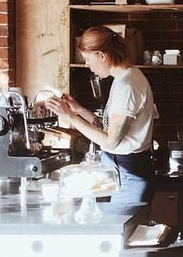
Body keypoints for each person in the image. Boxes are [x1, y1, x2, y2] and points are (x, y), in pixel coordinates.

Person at [46, 25, 157, 217]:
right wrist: (78, 109)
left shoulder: (127, 86)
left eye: (89, 59)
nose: (88, 65)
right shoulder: (125, 78)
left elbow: (111, 140)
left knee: (118, 238)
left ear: (102, 55)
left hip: (129, 174)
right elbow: (107, 127)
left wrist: (69, 117)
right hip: (123, 171)